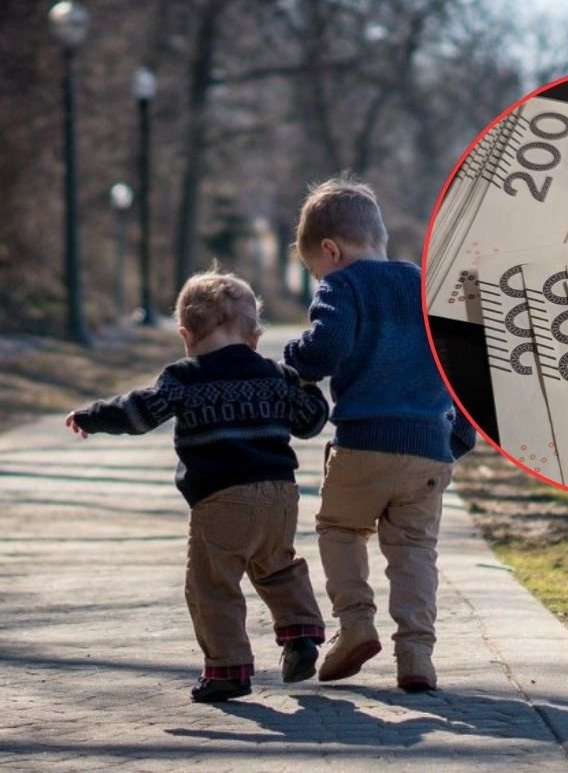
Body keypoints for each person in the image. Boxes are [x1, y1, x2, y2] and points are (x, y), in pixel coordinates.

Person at [65, 268, 329, 703]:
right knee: (278, 565)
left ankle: (228, 669)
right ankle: (300, 635)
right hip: (280, 495)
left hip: (222, 498)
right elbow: (310, 422)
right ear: (253, 335)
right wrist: (309, 384)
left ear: (186, 334)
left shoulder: (184, 377)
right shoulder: (273, 374)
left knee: (212, 585)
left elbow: (139, 413)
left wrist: (93, 416)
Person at [284, 176, 476, 692]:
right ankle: (416, 654)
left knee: (340, 530)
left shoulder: (342, 285)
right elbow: (463, 365)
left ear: (331, 250)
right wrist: (459, 435)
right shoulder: (425, 284)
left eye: (314, 269)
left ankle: (355, 625)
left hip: (363, 445)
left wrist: (294, 360)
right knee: (415, 550)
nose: (318, 277)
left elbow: (325, 349)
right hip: (429, 450)